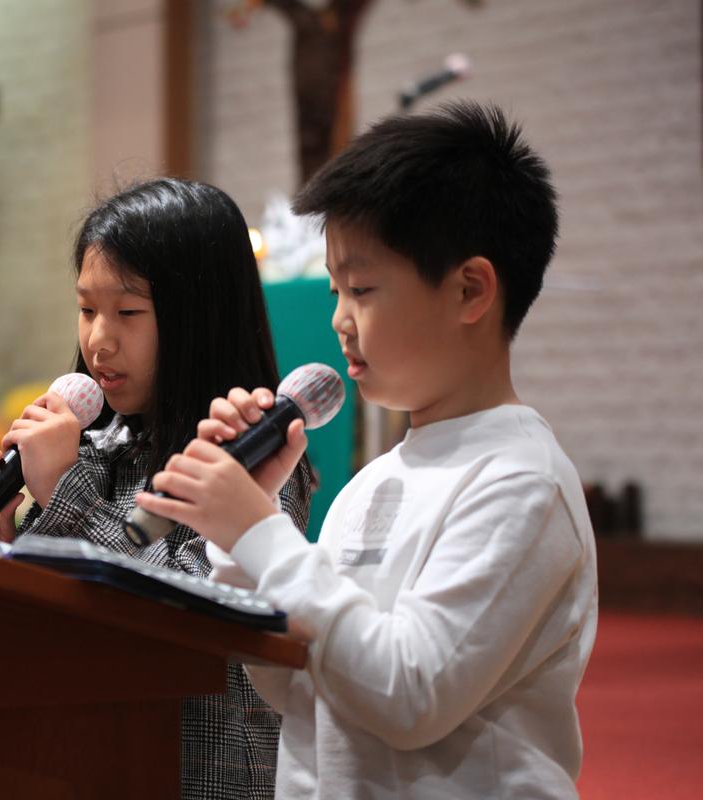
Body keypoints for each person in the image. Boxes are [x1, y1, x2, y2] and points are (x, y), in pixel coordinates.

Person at [136, 101, 598, 798]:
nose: (338, 320)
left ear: (469, 290)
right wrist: (244, 529)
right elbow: (295, 686)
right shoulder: (372, 484)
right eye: (334, 290)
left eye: (361, 289)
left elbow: (409, 695)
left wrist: (260, 533)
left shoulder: (522, 483)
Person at [0, 177, 312, 799]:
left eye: (128, 313)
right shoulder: (93, 449)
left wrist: (66, 492)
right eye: (87, 310)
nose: (98, 340)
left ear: (201, 317)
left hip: (196, 777)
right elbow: (59, 633)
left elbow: (194, 617)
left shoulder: (251, 454)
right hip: (80, 760)